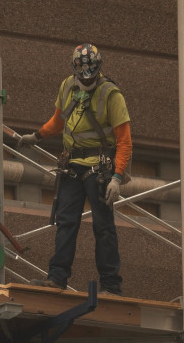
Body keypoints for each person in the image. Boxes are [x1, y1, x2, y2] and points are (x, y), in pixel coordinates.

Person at [18, 43, 132, 295]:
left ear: (98, 69)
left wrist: (116, 177)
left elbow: (124, 141)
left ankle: (111, 286)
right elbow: (59, 120)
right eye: (82, 74)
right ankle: (57, 278)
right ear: (75, 70)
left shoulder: (111, 95)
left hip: (99, 169)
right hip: (71, 167)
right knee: (66, 222)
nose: (86, 79)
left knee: (103, 227)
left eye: (90, 74)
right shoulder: (68, 85)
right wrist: (37, 136)